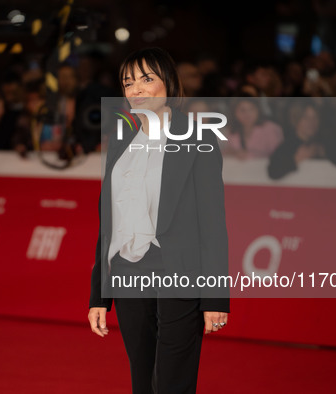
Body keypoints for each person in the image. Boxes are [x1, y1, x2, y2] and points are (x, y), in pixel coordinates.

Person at [88, 47, 229, 394]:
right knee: (142, 377)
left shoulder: (199, 137)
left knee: (173, 380)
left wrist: (215, 297)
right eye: (128, 82)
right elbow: (110, 221)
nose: (136, 89)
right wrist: (98, 296)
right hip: (127, 269)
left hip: (177, 269)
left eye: (146, 79)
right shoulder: (121, 141)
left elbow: (213, 223)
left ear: (168, 82)